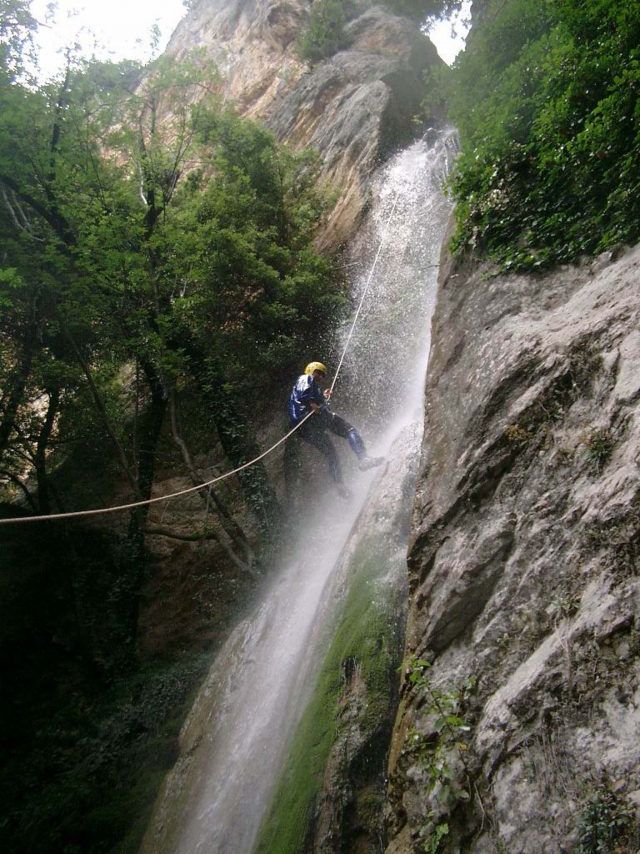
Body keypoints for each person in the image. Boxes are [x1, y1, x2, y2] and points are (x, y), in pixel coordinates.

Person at [287, 361, 384, 497]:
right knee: (349, 430)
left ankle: (340, 485)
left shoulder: (311, 387)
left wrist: (322, 398)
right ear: (310, 370)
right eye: (318, 372)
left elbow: (310, 397)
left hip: (302, 429)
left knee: (330, 453)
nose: (320, 377)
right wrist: (311, 404)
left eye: (323, 375)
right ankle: (363, 458)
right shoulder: (305, 378)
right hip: (311, 417)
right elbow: (305, 395)